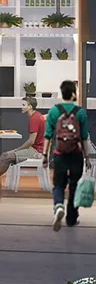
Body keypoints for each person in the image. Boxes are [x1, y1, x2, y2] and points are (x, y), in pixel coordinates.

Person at [49, 79, 88, 230]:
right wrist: (87, 157)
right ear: (73, 94)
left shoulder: (54, 111)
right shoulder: (80, 112)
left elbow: (47, 135)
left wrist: (45, 156)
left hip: (59, 153)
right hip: (76, 154)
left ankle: (58, 206)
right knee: (74, 186)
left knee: (58, 185)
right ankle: (71, 218)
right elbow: (84, 136)